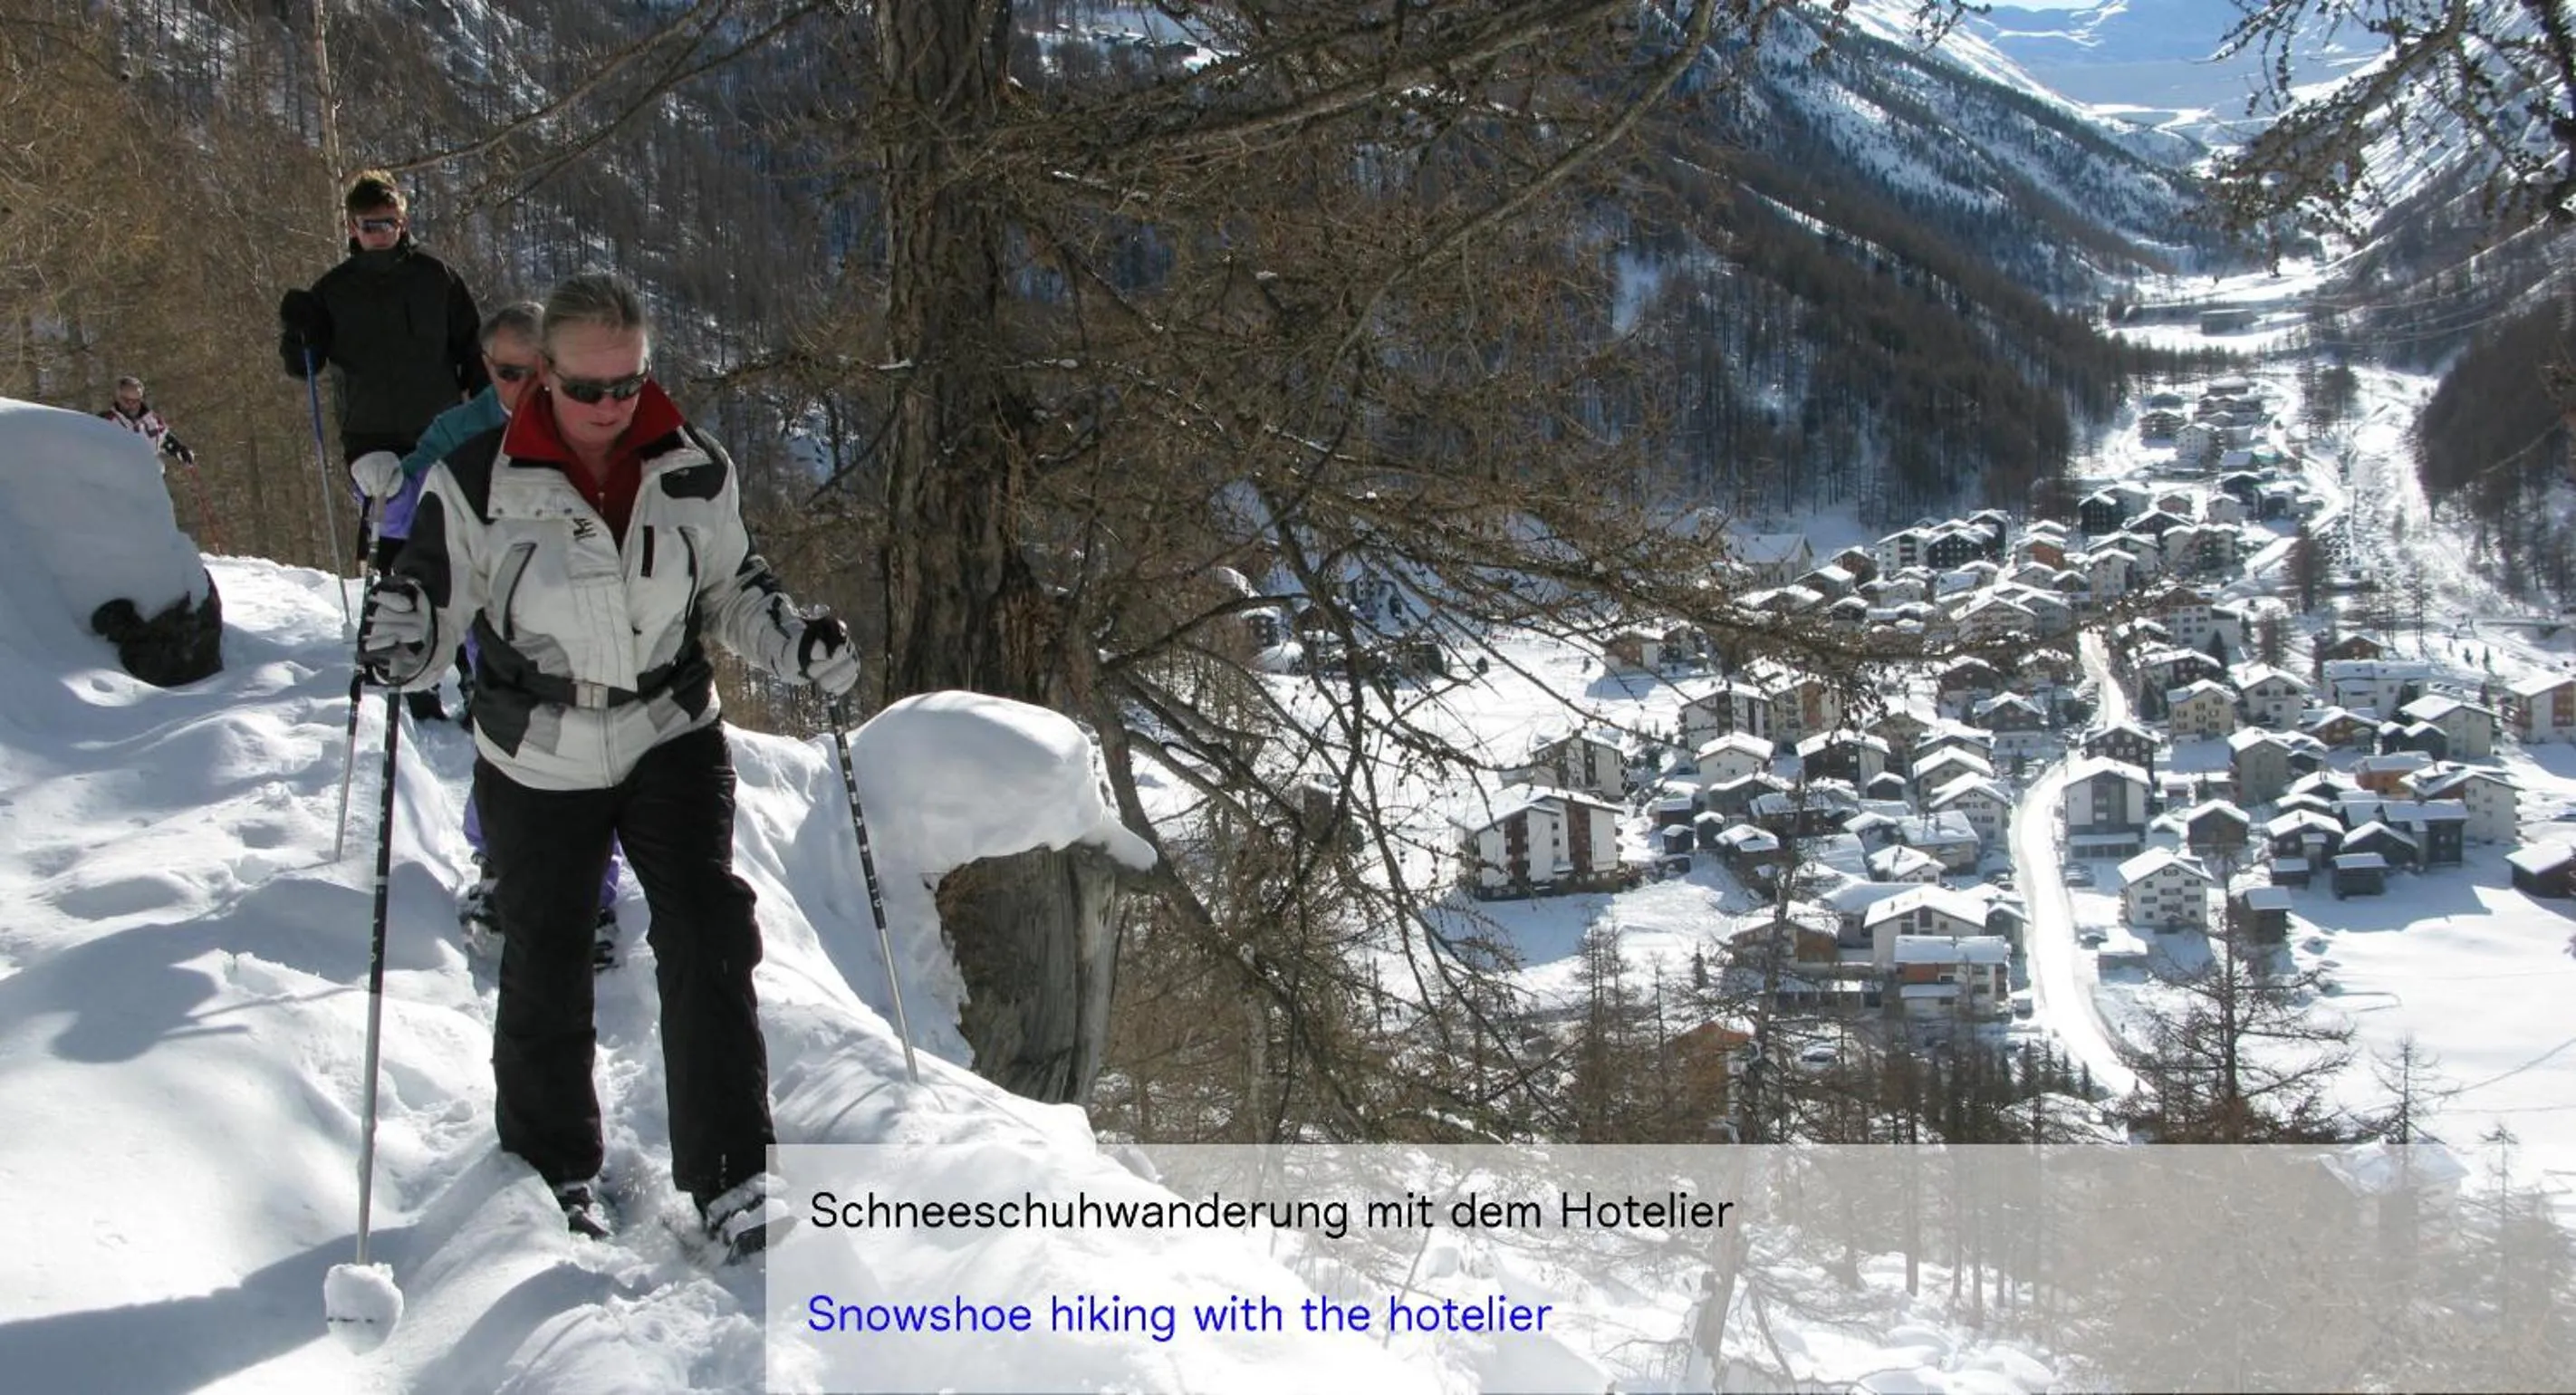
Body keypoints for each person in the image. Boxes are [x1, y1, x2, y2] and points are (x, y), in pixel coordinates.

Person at [357, 272, 860, 1259]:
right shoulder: (473, 480)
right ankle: (555, 1170)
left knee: (710, 933)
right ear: (542, 376)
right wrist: (403, 642)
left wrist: (794, 641)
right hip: (536, 751)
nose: (611, 406)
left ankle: (731, 1178)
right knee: (545, 954)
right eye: (588, 388)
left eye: (629, 382)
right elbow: (428, 611)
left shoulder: (693, 467)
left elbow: (733, 590)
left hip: (670, 730)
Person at [348, 301, 626, 970]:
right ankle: (503, 866)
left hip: (585, 614)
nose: (522, 387)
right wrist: (378, 490)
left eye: (537, 371)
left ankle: (594, 888)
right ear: (486, 369)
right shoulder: (460, 432)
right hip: (490, 616)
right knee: (509, 736)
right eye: (507, 372)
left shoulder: (593, 428)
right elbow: (404, 512)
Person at [278, 168, 486, 722]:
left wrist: (488, 413)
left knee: (459, 546)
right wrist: (297, 331)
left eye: (390, 222)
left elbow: (473, 349)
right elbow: (305, 366)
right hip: (371, 439)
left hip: (441, 429)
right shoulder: (333, 290)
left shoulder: (437, 278)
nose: (381, 232)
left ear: (404, 220)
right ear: (352, 225)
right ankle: (411, 672)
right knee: (397, 553)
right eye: (370, 225)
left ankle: (473, 678)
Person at [99, 375, 197, 467]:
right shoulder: (106, 421)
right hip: (119, 478)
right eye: (127, 400)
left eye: (136, 401)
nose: (131, 405)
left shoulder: (152, 421)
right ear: (118, 398)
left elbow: (165, 440)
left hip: (150, 478)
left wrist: (181, 451)